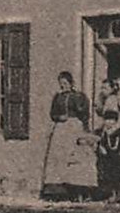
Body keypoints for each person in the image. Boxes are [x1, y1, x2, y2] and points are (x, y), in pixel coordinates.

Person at [40, 71, 95, 200]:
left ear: (71, 83)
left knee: (74, 156)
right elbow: (52, 114)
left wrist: (84, 129)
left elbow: (85, 114)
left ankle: (77, 189)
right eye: (61, 84)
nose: (63, 86)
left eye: (65, 83)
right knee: (58, 156)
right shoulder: (57, 97)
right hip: (60, 128)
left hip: (74, 126)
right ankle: (57, 191)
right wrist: (59, 117)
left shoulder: (79, 96)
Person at [95, 110, 120, 203]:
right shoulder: (102, 132)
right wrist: (100, 149)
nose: (108, 122)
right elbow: (97, 142)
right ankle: (108, 195)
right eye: (106, 120)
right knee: (106, 176)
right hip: (106, 158)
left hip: (118, 158)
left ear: (115, 121)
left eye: (111, 120)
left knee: (119, 176)